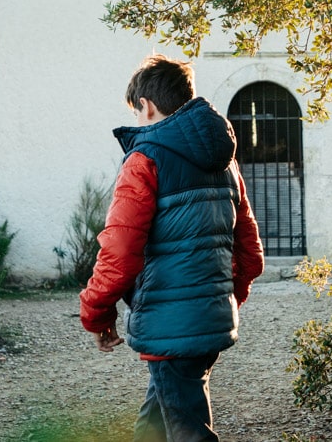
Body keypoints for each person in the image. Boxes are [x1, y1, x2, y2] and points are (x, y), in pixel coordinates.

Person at [79, 53, 266, 442]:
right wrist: (224, 300)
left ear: (146, 106)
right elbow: (249, 248)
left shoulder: (145, 158)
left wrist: (96, 313)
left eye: (136, 112)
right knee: (153, 427)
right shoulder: (225, 162)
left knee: (188, 432)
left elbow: (120, 247)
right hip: (204, 319)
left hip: (172, 324)